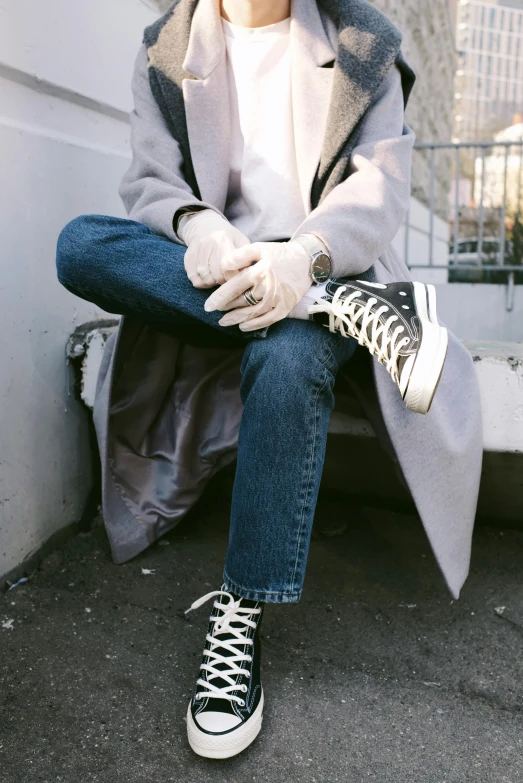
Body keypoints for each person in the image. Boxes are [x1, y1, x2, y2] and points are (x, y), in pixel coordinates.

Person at [55, 0, 482, 760]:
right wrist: (199, 225)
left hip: (325, 263)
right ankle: (334, 311)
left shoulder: (363, 43)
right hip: (215, 283)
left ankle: (239, 614)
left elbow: (378, 191)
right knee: (82, 245)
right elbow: (151, 183)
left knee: (285, 353)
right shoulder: (167, 48)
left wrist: (304, 260)